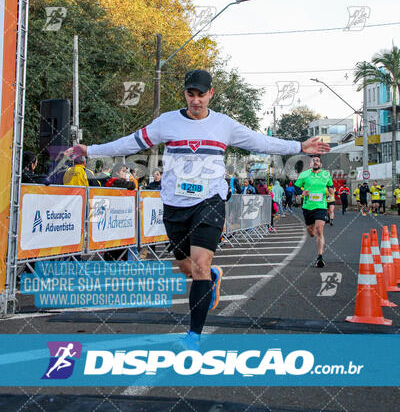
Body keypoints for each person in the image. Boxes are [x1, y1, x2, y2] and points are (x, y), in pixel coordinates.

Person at [65, 69, 330, 349]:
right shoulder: (166, 122)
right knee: (186, 267)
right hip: (174, 204)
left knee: (201, 265)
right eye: (191, 94)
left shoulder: (224, 124)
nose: (196, 101)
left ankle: (194, 335)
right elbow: (132, 141)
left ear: (210, 94)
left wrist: (299, 145)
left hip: (210, 201)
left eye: (201, 95)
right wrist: (90, 150)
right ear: (185, 94)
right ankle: (212, 278)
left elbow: (261, 141)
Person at [295, 155, 334, 268]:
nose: (315, 162)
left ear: (321, 164)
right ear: (310, 164)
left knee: (319, 230)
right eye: (313, 161)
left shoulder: (326, 174)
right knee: (311, 232)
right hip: (307, 207)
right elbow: (296, 187)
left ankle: (320, 257)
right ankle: (310, 230)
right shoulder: (304, 174)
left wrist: (331, 190)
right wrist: (302, 193)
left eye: (317, 161)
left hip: (321, 206)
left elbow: (331, 187)